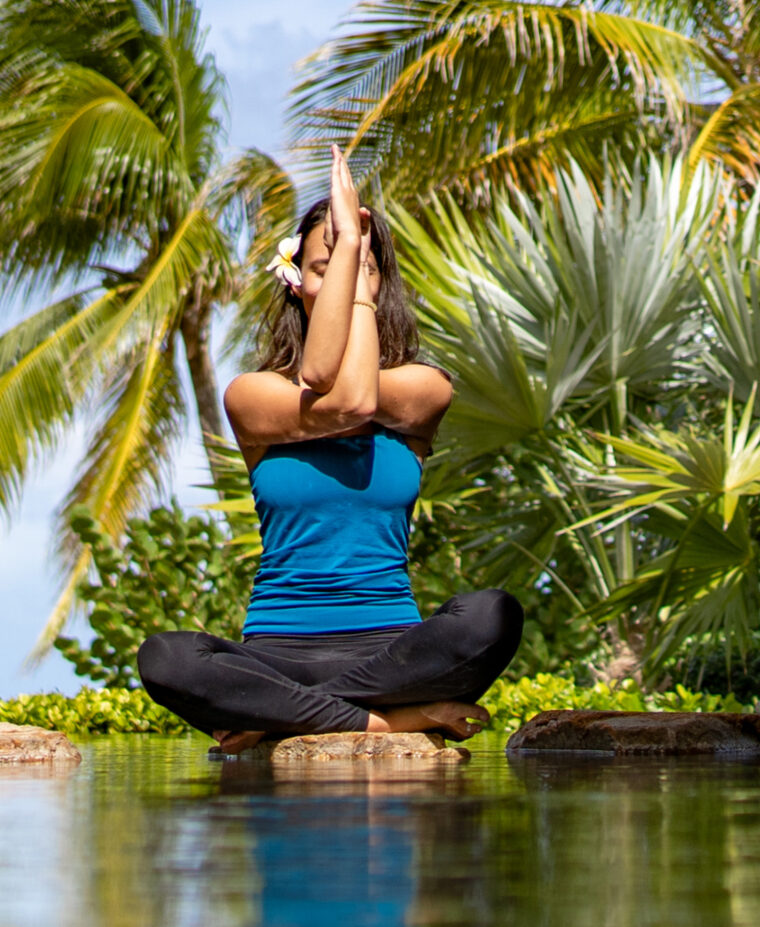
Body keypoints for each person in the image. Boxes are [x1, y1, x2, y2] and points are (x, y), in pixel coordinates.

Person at [135, 145, 524, 750]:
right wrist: (349, 248)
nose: (341, 282)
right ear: (295, 282)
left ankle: (282, 715)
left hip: (392, 652)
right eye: (324, 267)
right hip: (276, 654)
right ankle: (387, 719)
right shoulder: (254, 396)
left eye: (359, 267)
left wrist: (352, 272)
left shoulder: (423, 388)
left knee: (492, 614)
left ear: (379, 282)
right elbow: (330, 392)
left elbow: (356, 401)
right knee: (166, 657)